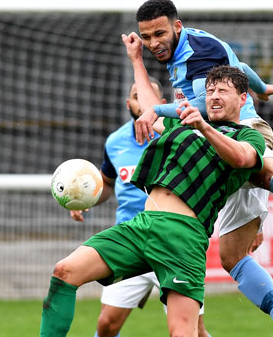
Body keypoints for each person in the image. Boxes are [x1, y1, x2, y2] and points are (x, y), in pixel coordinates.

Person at [122, 0, 273, 336]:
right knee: (232, 256)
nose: (153, 43)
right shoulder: (192, 43)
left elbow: (202, 110)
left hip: (239, 131)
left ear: (176, 27)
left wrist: (155, 110)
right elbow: (242, 70)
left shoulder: (197, 56)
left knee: (269, 173)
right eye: (146, 37)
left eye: (159, 34)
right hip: (220, 144)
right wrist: (263, 89)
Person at [39, 66, 268, 337]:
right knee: (64, 271)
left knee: (184, 332)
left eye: (222, 91)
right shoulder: (181, 124)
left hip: (183, 237)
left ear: (242, 98)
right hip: (142, 225)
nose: (214, 96)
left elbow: (242, 158)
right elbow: (151, 108)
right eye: (209, 91)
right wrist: (136, 59)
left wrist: (203, 126)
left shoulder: (248, 136)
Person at [69, 79, 210, 337]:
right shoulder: (115, 142)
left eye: (145, 96)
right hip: (130, 240)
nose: (140, 101)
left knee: (194, 331)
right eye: (136, 96)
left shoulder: (177, 137)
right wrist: (86, 199)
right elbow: (108, 184)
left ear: (162, 104)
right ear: (128, 103)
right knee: (106, 325)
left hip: (172, 244)